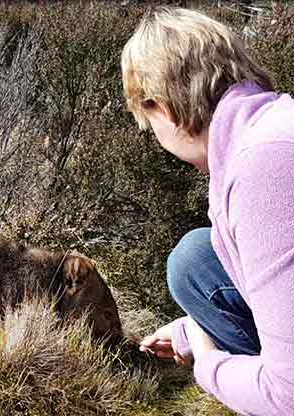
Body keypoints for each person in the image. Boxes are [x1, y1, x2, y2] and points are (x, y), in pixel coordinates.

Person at [121, 7, 294, 416]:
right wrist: (192, 327)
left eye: (150, 125)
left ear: (162, 107)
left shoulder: (264, 164)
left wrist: (208, 362)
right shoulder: (274, 123)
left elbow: (289, 393)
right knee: (195, 259)